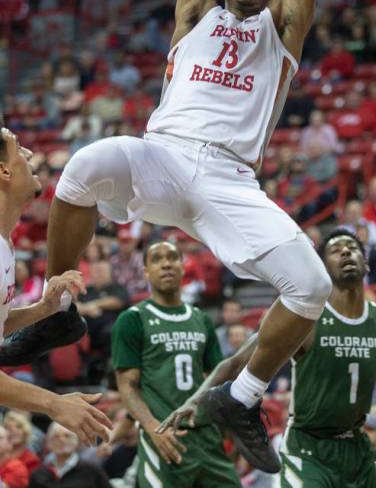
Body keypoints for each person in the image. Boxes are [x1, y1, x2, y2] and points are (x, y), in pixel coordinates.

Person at [11, 0, 337, 474]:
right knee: (83, 163)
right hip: (163, 156)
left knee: (310, 285)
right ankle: (57, 305)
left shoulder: (285, 30)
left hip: (229, 179)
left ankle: (241, 397)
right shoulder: (195, 15)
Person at [159, 230, 376, 488]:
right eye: (336, 249)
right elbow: (236, 363)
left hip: (357, 448)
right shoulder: (304, 317)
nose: (346, 251)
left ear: (367, 263)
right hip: (308, 447)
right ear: (322, 267)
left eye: (353, 247)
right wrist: (196, 399)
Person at [0, 127, 111, 445]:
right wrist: (55, 404)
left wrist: (43, 309)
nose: (29, 154)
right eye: (18, 148)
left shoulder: (5, 244)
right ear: (4, 170)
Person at [111, 241, 241, 488]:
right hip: (164, 437)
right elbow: (127, 387)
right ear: (146, 272)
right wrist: (151, 429)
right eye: (157, 259)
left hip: (206, 434)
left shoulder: (201, 319)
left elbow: (215, 380)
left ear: (183, 267)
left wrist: (230, 428)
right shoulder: (133, 319)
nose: (166, 264)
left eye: (172, 257)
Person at [28, 423, 110, 488]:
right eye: (56, 436)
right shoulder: (38, 473)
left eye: (67, 436)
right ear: (48, 443)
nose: (61, 440)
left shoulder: (92, 471)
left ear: (77, 442)